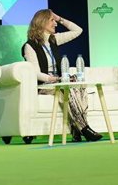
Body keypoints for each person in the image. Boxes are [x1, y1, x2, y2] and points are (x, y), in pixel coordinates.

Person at [22, 10, 101, 142]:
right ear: (42, 22)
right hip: (44, 84)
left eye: (55, 21)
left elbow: (78, 31)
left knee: (79, 86)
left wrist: (59, 18)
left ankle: (76, 128)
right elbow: (35, 73)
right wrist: (51, 79)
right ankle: (84, 128)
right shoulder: (29, 46)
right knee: (66, 89)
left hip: (59, 82)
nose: (56, 24)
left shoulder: (54, 40)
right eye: (52, 20)